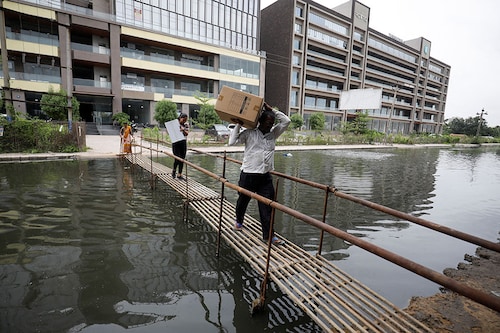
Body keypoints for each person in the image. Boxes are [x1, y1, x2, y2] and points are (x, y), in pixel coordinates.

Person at [228, 102, 290, 245]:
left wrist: (272, 109)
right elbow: (232, 142)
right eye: (268, 122)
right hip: (248, 174)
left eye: (272, 123)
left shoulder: (274, 134)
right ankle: (239, 221)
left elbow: (287, 121)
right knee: (242, 202)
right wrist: (238, 124)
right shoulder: (249, 133)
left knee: (267, 206)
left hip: (265, 176)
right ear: (260, 121)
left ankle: (268, 236)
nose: (270, 125)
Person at [172, 113, 189, 180]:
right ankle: (174, 171)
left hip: (183, 142)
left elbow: (187, 133)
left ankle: (179, 174)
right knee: (177, 158)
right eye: (184, 119)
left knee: (182, 158)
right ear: (180, 118)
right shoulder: (174, 123)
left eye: (186, 120)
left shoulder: (185, 125)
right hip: (176, 142)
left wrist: (183, 130)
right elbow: (169, 131)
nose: (184, 121)